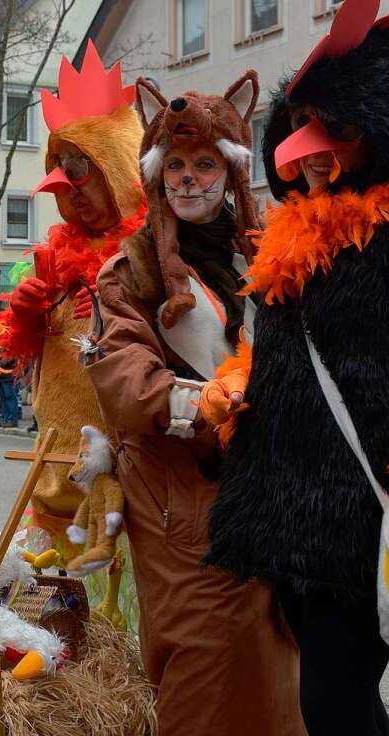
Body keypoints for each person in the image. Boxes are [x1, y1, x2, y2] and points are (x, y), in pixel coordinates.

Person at [202, 0, 389, 736]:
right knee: (327, 693)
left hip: (365, 507)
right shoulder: (289, 233)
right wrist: (237, 380)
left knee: (333, 700)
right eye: (300, 124)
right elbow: (279, 343)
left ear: (380, 129)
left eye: (333, 128)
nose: (309, 151)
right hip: (289, 507)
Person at [82, 71, 304, 734]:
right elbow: (122, 375)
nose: (188, 178)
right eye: (175, 164)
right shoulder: (133, 270)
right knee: (203, 673)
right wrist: (206, 403)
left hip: (270, 495)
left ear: (230, 171)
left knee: (278, 677)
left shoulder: (263, 257)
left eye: (205, 163)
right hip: (181, 501)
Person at [0, 42, 146, 555]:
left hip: (126, 478)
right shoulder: (55, 257)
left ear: (121, 169)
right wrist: (27, 316)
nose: (73, 195)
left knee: (114, 621)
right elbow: (30, 355)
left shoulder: (151, 252)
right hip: (51, 468)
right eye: (63, 183)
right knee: (47, 615)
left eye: (85, 174)